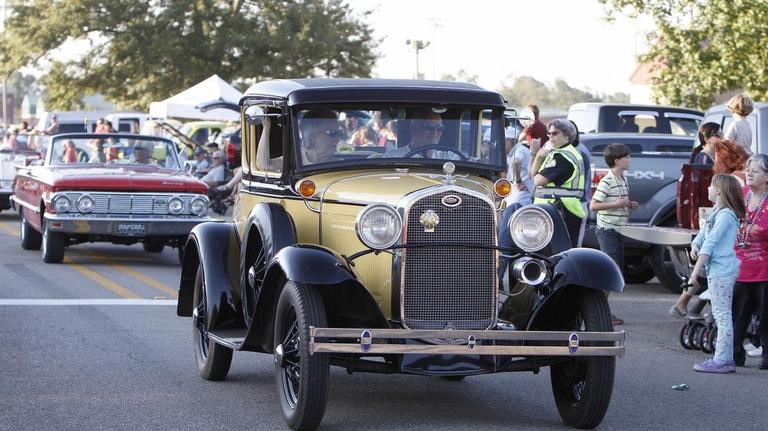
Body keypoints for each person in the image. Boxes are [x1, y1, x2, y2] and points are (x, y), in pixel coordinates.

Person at [688, 174, 745, 373]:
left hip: (723, 270)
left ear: (719, 190)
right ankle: (723, 358)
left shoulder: (726, 216)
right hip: (716, 270)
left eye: (712, 186)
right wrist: (694, 245)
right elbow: (703, 237)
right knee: (721, 314)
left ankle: (723, 359)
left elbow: (710, 243)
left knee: (722, 315)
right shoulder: (716, 213)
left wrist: (695, 272)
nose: (709, 189)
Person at [590, 143, 638, 326]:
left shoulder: (623, 179)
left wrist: (628, 204)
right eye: (627, 157)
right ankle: (599, 311)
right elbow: (594, 205)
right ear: (617, 160)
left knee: (615, 270)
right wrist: (617, 205)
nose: (630, 160)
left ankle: (603, 309)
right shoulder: (607, 180)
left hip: (618, 230)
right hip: (607, 230)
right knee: (608, 271)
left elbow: (617, 201)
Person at [731, 154, 768, 370]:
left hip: (764, 271)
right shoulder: (741, 195)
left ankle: (766, 357)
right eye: (748, 168)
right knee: (738, 317)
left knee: (765, 320)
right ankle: (735, 355)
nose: (750, 172)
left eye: (756, 169)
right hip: (739, 268)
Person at [529, 119, 585, 248]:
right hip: (554, 212)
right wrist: (536, 155)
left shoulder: (563, 158)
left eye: (554, 133)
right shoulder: (558, 153)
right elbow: (532, 175)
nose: (550, 137)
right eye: (549, 134)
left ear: (566, 135)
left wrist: (538, 158)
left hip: (562, 212)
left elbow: (537, 180)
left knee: (558, 256)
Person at [385, 109, 456, 159]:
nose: (435, 132)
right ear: (413, 129)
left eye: (440, 128)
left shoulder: (449, 157)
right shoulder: (393, 157)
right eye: (429, 127)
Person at [506, 128, 534, 206]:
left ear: (508, 142)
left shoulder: (520, 150)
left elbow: (516, 162)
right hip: (517, 192)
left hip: (523, 192)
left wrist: (519, 181)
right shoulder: (511, 152)